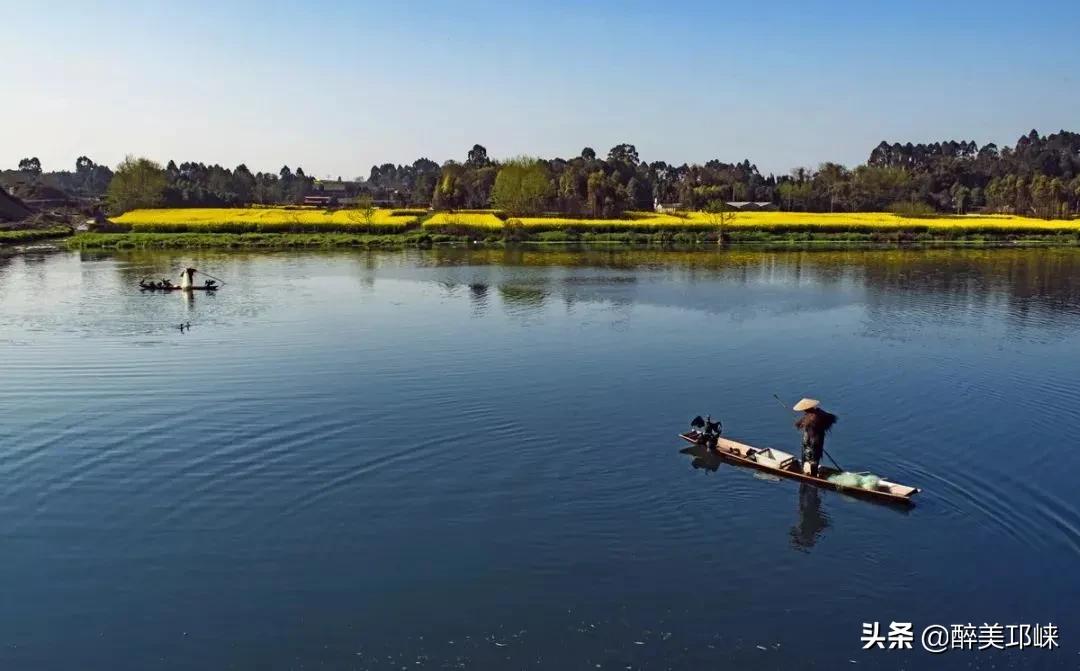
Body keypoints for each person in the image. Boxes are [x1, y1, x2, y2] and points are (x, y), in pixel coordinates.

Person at [793, 398, 837, 477]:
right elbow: (832, 419)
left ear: (806, 408)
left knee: (812, 459)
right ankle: (811, 474)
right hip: (817, 441)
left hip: (812, 442)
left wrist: (799, 423)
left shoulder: (812, 417)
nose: (803, 411)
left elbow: (800, 424)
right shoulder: (816, 413)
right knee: (813, 458)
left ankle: (812, 477)